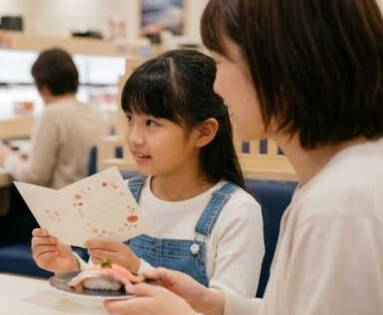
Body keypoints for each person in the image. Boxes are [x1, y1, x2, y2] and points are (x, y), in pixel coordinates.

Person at [105, 0, 383, 315]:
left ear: (281, 64)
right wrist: (211, 305)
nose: (216, 87)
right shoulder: (333, 187)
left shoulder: (342, 207)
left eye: (220, 61)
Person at [31, 50, 263, 297]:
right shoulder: (121, 194)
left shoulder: (237, 212)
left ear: (203, 132)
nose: (134, 138)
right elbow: (106, 283)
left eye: (151, 123)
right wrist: (72, 267)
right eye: (130, 118)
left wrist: (137, 270)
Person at [0, 47, 107, 189]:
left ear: (43, 86)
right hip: (85, 200)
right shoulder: (92, 111)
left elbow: (35, 177)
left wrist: (7, 158)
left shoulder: (51, 114)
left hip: (57, 205)